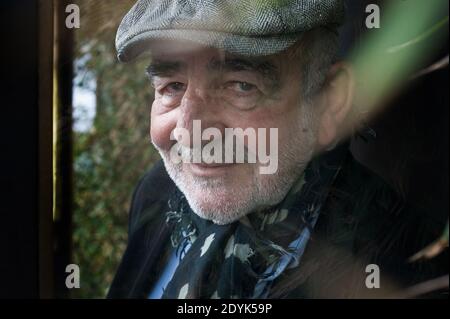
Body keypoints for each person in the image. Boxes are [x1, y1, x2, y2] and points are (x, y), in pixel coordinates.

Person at [107, 0, 446, 299]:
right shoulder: (157, 194)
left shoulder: (408, 267)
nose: (190, 132)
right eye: (172, 86)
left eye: (241, 86)